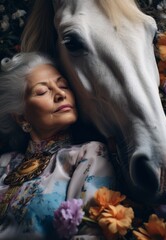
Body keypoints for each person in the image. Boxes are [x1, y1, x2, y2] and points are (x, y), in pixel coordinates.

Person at [0, 52, 116, 240]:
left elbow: (91, 234)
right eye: (42, 91)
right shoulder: (5, 163)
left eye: (63, 85)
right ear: (21, 117)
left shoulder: (87, 154)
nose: (61, 94)